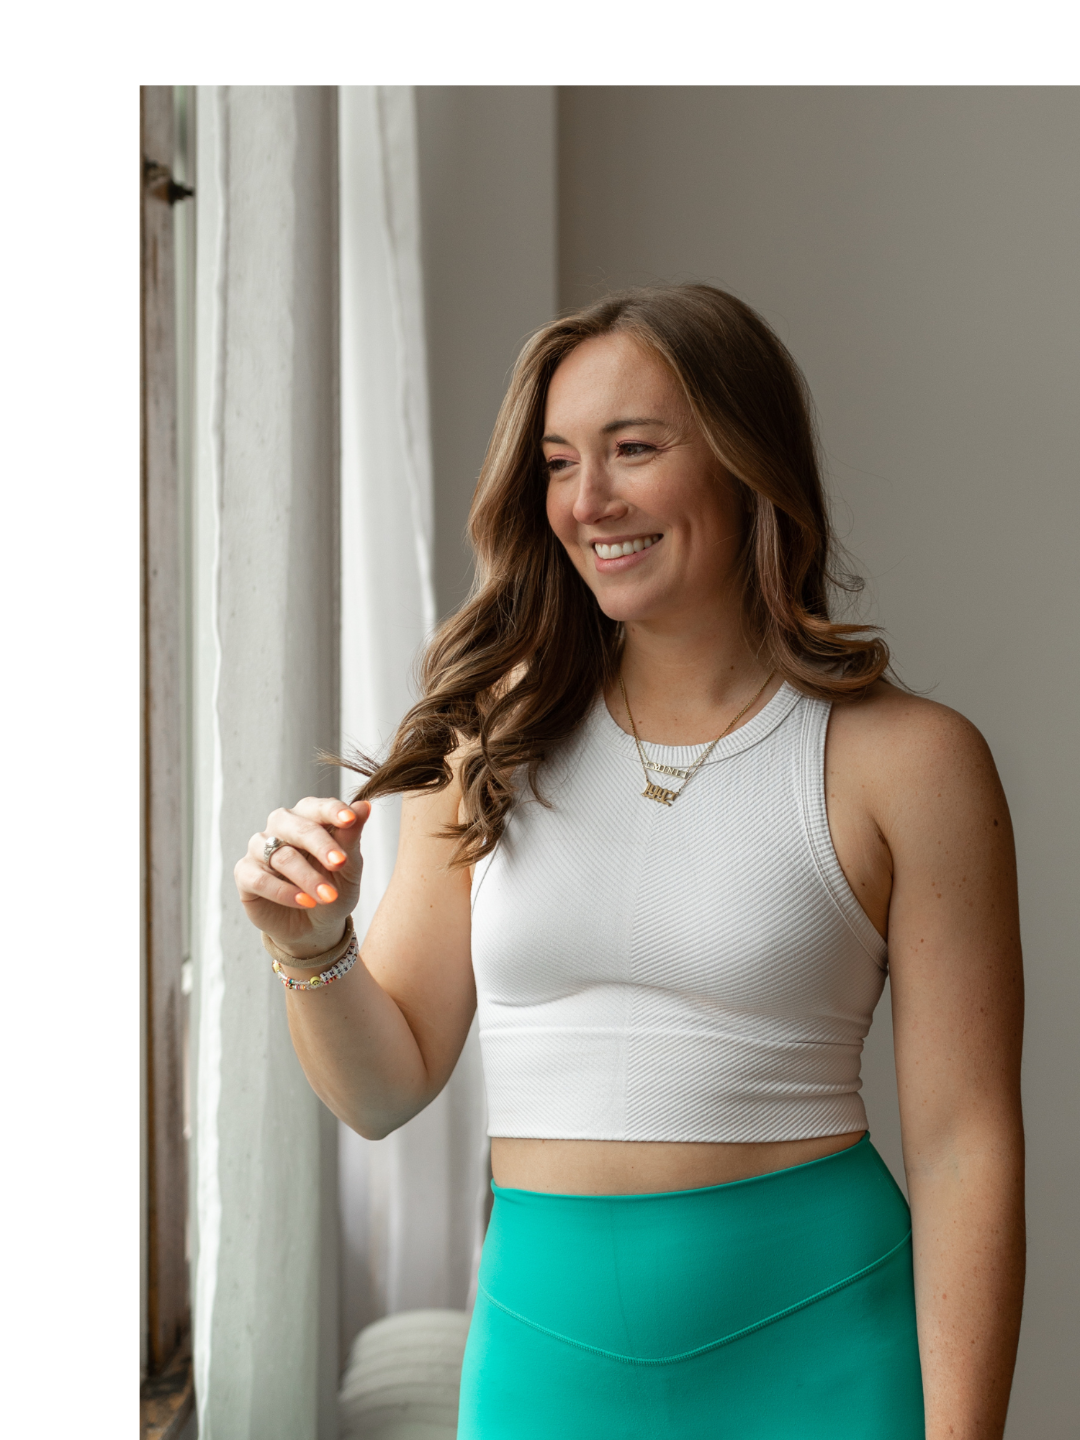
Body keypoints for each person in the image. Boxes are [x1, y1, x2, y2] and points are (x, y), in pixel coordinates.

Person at [234, 285, 1024, 1438]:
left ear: (748, 462)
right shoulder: (489, 742)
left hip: (823, 1351)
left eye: (634, 449)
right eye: (559, 463)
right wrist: (310, 945)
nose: (587, 500)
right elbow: (381, 1090)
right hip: (542, 1364)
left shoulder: (912, 762)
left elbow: (965, 1149)